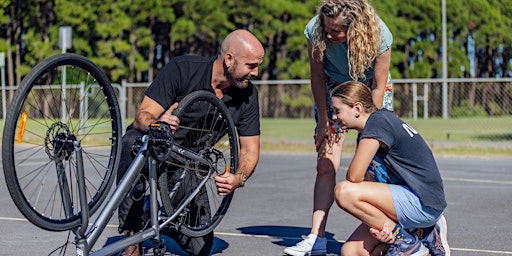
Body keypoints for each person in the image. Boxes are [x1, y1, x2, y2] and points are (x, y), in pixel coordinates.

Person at [117, 29, 264, 256]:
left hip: (188, 165)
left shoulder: (248, 96)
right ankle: (132, 234)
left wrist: (239, 177)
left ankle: (159, 215)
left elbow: (250, 150)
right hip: (156, 148)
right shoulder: (183, 69)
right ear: (229, 59)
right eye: (251, 65)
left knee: (200, 248)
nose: (256, 72)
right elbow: (142, 116)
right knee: (131, 142)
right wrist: (158, 124)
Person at [284, 0, 393, 255]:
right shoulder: (316, 30)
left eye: (337, 31)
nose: (330, 34)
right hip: (334, 86)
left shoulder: (380, 34)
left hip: (368, 88)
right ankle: (316, 238)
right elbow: (316, 76)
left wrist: (370, 130)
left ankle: (376, 235)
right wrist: (323, 119)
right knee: (325, 163)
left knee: (370, 167)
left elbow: (378, 86)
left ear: (355, 29)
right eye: (327, 28)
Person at [330, 80, 450, 255]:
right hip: (403, 201)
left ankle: (408, 242)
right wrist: (380, 227)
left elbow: (354, 177)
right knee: (351, 251)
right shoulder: (370, 130)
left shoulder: (378, 122)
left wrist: (390, 229)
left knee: (343, 191)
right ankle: (422, 234)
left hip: (423, 202)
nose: (333, 117)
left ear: (357, 109)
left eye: (337, 111)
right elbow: (371, 187)